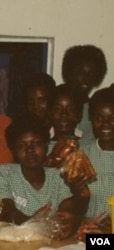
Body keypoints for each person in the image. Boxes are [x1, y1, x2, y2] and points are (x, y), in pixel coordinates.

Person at [0, 115, 90, 239]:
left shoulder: (57, 174)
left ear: (47, 145)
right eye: (21, 146)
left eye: (36, 143)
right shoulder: (3, 174)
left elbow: (67, 207)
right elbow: (7, 211)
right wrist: (33, 221)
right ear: (13, 151)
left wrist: (68, 220)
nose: (30, 150)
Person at [62, 44, 107, 143]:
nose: (86, 78)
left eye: (91, 73)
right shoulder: (58, 107)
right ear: (70, 73)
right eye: (80, 72)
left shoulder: (96, 109)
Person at [80, 87, 114, 219]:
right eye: (99, 118)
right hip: (89, 233)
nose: (105, 124)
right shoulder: (81, 157)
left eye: (112, 118)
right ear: (91, 120)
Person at [47, 84, 85, 151]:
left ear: (79, 114)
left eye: (70, 109)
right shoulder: (44, 146)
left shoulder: (87, 144)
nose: (64, 114)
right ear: (50, 113)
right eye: (58, 109)